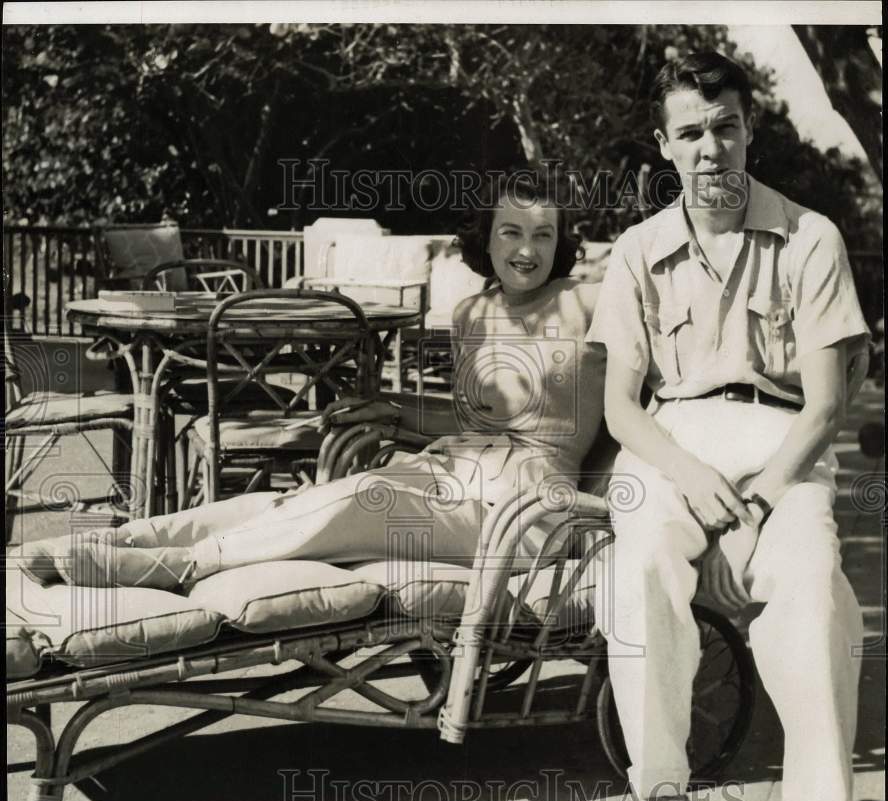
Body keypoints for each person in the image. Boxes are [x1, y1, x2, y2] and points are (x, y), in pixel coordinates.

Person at [587, 51, 877, 801]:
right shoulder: (637, 251)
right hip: (669, 443)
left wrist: (756, 496)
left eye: (725, 128)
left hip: (782, 443)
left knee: (811, 585)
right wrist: (689, 477)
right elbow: (621, 407)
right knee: (633, 571)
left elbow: (829, 404)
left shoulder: (811, 236)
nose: (710, 149)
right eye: (690, 133)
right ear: (664, 147)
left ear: (749, 130)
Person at [21, 174, 605, 590]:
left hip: (527, 508)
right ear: (487, 236)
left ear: (561, 244)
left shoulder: (590, 304)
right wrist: (389, 412)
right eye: (511, 232)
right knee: (297, 499)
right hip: (451, 468)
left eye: (543, 235)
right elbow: (476, 422)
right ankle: (129, 539)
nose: (526, 250)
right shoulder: (473, 313)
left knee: (351, 499)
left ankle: (181, 566)